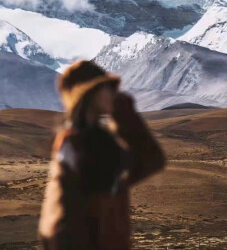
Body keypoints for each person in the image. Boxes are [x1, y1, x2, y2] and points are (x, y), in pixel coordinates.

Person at [38, 61, 165, 250]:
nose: (113, 93)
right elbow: (149, 161)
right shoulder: (83, 145)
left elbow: (151, 161)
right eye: (106, 88)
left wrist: (122, 111)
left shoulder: (84, 140)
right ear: (91, 93)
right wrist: (124, 111)